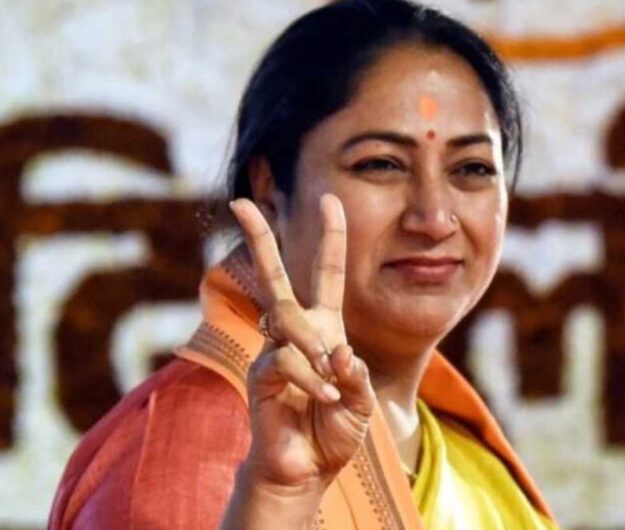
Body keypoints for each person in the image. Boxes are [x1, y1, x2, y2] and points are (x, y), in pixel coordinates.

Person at [49, 0, 559, 528]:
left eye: (472, 168)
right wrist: (272, 502)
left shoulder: (473, 464)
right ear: (270, 188)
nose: (434, 218)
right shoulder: (191, 454)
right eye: (381, 164)